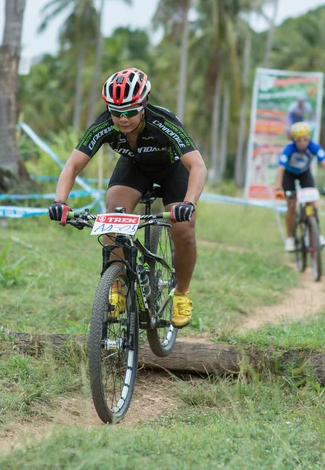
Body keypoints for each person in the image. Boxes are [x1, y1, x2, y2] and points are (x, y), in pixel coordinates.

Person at [48, 68, 208, 328]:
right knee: (114, 213)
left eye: (130, 111)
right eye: (116, 112)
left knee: (183, 229)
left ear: (143, 105)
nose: (123, 119)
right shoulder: (104, 124)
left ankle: (182, 292)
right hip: (135, 167)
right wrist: (60, 202)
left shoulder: (162, 121)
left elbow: (198, 166)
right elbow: (73, 165)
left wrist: (188, 204)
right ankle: (117, 286)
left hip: (173, 170)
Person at [274, 121, 325, 252]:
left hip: (304, 173)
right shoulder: (289, 149)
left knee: (312, 203)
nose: (302, 142)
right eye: (298, 140)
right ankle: (290, 238)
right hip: (289, 175)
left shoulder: (314, 147)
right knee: (291, 205)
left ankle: (317, 233)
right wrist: (278, 188)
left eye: (305, 139)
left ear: (309, 138)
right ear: (294, 140)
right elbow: (280, 169)